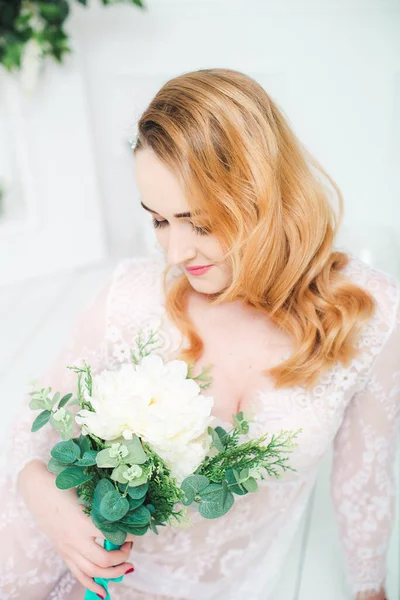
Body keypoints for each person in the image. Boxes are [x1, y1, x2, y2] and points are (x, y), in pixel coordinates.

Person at [0, 68, 399, 600]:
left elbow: (364, 480)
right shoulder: (133, 298)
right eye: (159, 221)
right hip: (62, 543)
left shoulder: (366, 312)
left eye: (201, 223)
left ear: (269, 197)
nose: (175, 253)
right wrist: (47, 502)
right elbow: (28, 426)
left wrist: (369, 590)